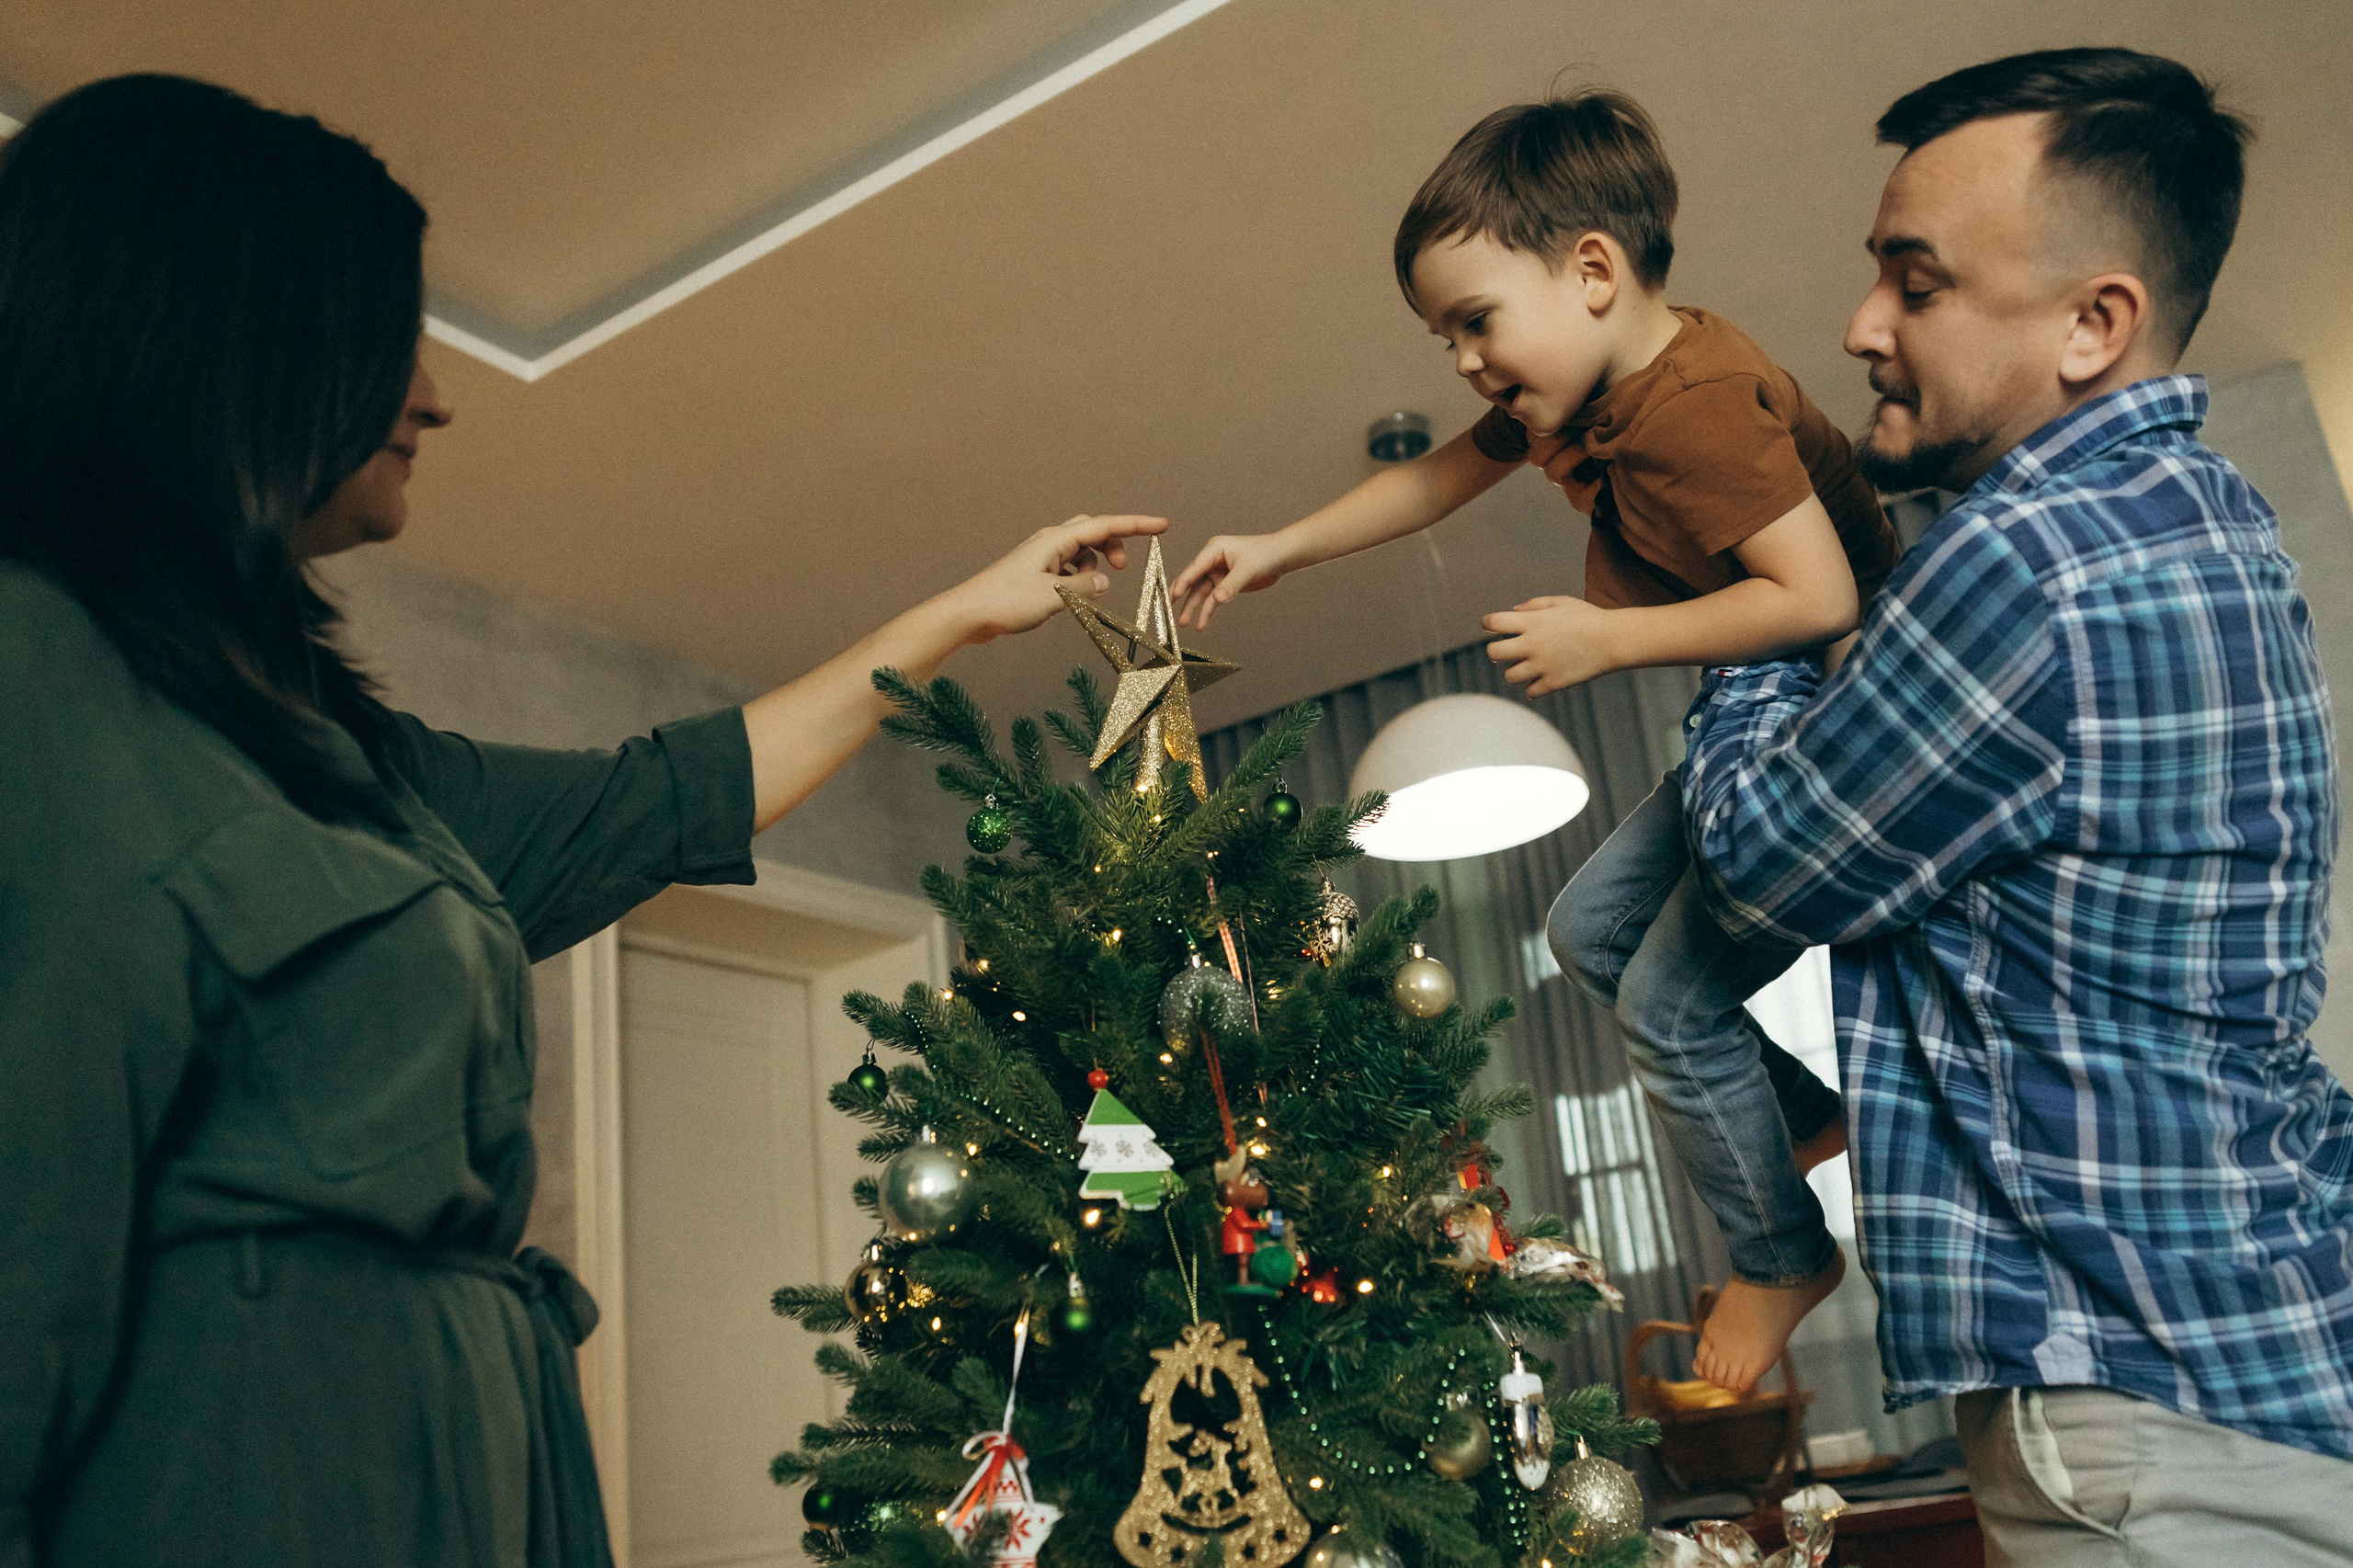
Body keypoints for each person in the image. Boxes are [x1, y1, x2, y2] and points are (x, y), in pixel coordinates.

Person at [0, 74, 1163, 1568]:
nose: (431, 391)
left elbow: (662, 795)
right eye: (385, 331)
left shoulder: (344, 755)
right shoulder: (38, 679)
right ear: (237, 334)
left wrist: (952, 618)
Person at [1680, 48, 2353, 1562]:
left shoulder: (2032, 562)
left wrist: (1746, 598)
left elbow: (1756, 864)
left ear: (2093, 322)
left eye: (1916, 284)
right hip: (2262, 1369)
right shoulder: (2216, 525)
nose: (1862, 325)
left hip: (2150, 1436)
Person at [1168, 89, 1895, 1390]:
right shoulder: (1578, 398)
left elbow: (1821, 595)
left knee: (1671, 994)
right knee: (1589, 931)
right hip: (1755, 692)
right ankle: (1799, 1113)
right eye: (1445, 333)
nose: (1462, 359)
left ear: (1594, 273)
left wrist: (1608, 641)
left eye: (1474, 320)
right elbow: (1437, 475)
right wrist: (1282, 544)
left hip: (1827, 700)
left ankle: (1784, 1253)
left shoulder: (1699, 401)